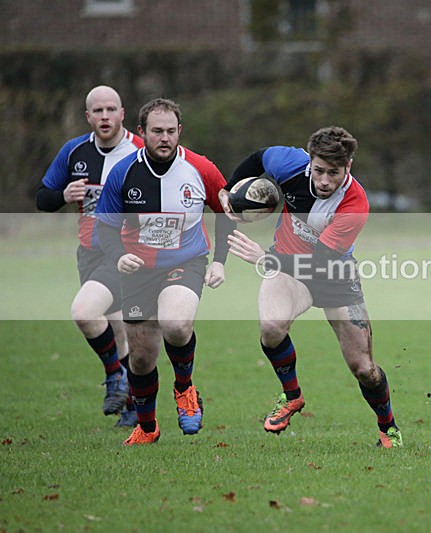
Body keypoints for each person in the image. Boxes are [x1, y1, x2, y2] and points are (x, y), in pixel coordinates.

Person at [219, 126, 402, 448]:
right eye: (318, 171)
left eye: (334, 173)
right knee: (271, 328)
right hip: (287, 265)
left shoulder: (354, 204)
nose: (324, 181)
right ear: (310, 162)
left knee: (364, 368)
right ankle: (292, 396)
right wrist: (228, 188)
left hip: (333, 274)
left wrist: (264, 259)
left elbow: (320, 263)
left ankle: (388, 428)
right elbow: (259, 158)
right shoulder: (290, 164)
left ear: (348, 166)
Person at [95, 97, 236, 445]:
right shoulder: (123, 173)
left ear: (180, 131)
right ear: (141, 132)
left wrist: (220, 260)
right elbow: (106, 227)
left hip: (185, 262)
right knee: (141, 358)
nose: (165, 138)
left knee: (176, 323)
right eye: (157, 131)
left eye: (171, 131)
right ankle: (147, 427)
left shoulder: (201, 169)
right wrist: (118, 256)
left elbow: (226, 213)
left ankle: (185, 389)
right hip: (138, 270)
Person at [36, 85, 143, 427]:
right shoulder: (74, 152)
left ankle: (116, 377)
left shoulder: (140, 152)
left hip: (126, 253)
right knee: (116, 327)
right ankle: (131, 401)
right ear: (88, 116)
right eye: (98, 111)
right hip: (89, 252)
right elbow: (43, 198)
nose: (105, 116)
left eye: (111, 109)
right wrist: (63, 195)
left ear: (122, 113)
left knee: (89, 313)